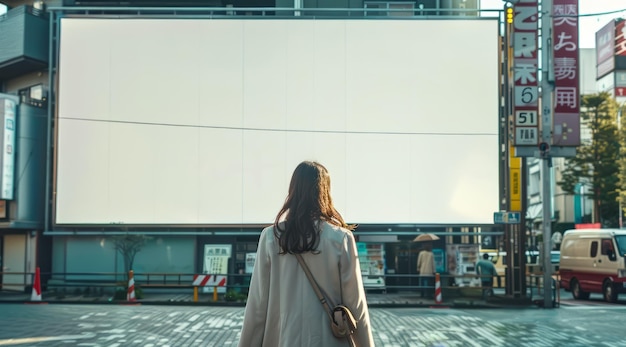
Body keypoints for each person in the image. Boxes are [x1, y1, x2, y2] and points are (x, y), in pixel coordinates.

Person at [238, 161, 374, 347]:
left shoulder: (271, 237)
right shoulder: (340, 238)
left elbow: (257, 305)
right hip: (329, 340)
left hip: (282, 339)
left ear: (293, 190)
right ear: (325, 191)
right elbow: (355, 305)